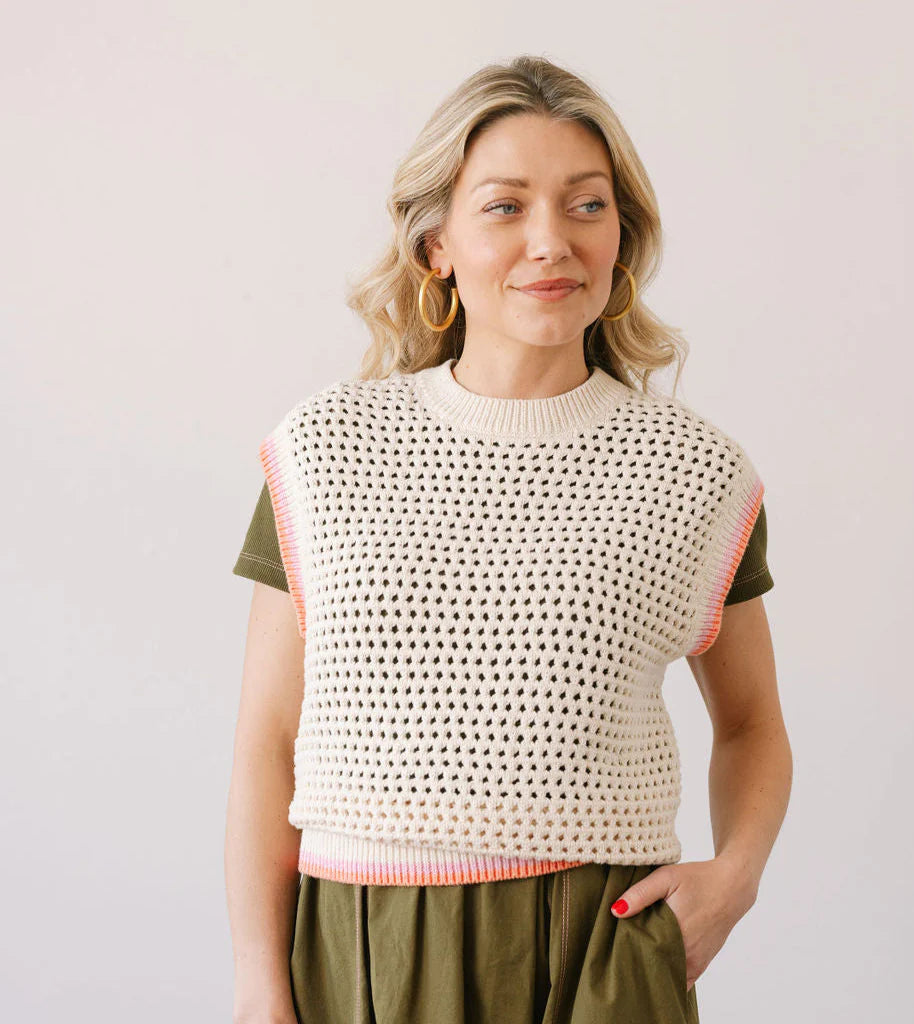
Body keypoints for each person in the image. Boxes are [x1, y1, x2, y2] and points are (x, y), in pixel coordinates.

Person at [225, 54, 792, 1024]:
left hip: (598, 953)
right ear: (436, 243)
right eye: (505, 206)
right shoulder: (323, 451)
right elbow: (267, 745)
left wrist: (733, 878)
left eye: (586, 205)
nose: (551, 241)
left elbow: (751, 724)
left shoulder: (693, 473)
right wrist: (258, 987)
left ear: (622, 235)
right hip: (358, 956)